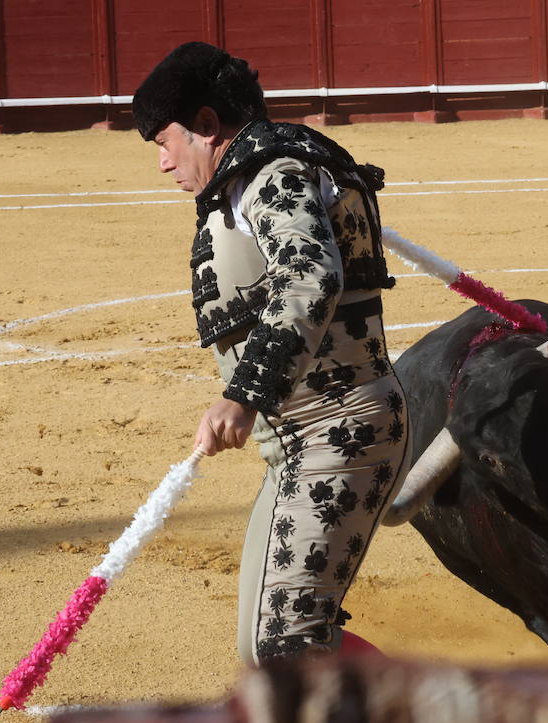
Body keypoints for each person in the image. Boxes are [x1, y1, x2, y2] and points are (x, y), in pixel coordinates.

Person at [132, 43, 408, 663]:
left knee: (284, 645)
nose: (162, 162)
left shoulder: (275, 173)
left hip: (340, 433)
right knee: (268, 646)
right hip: (304, 442)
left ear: (206, 127)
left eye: (163, 141)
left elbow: (310, 274)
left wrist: (244, 391)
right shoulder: (264, 174)